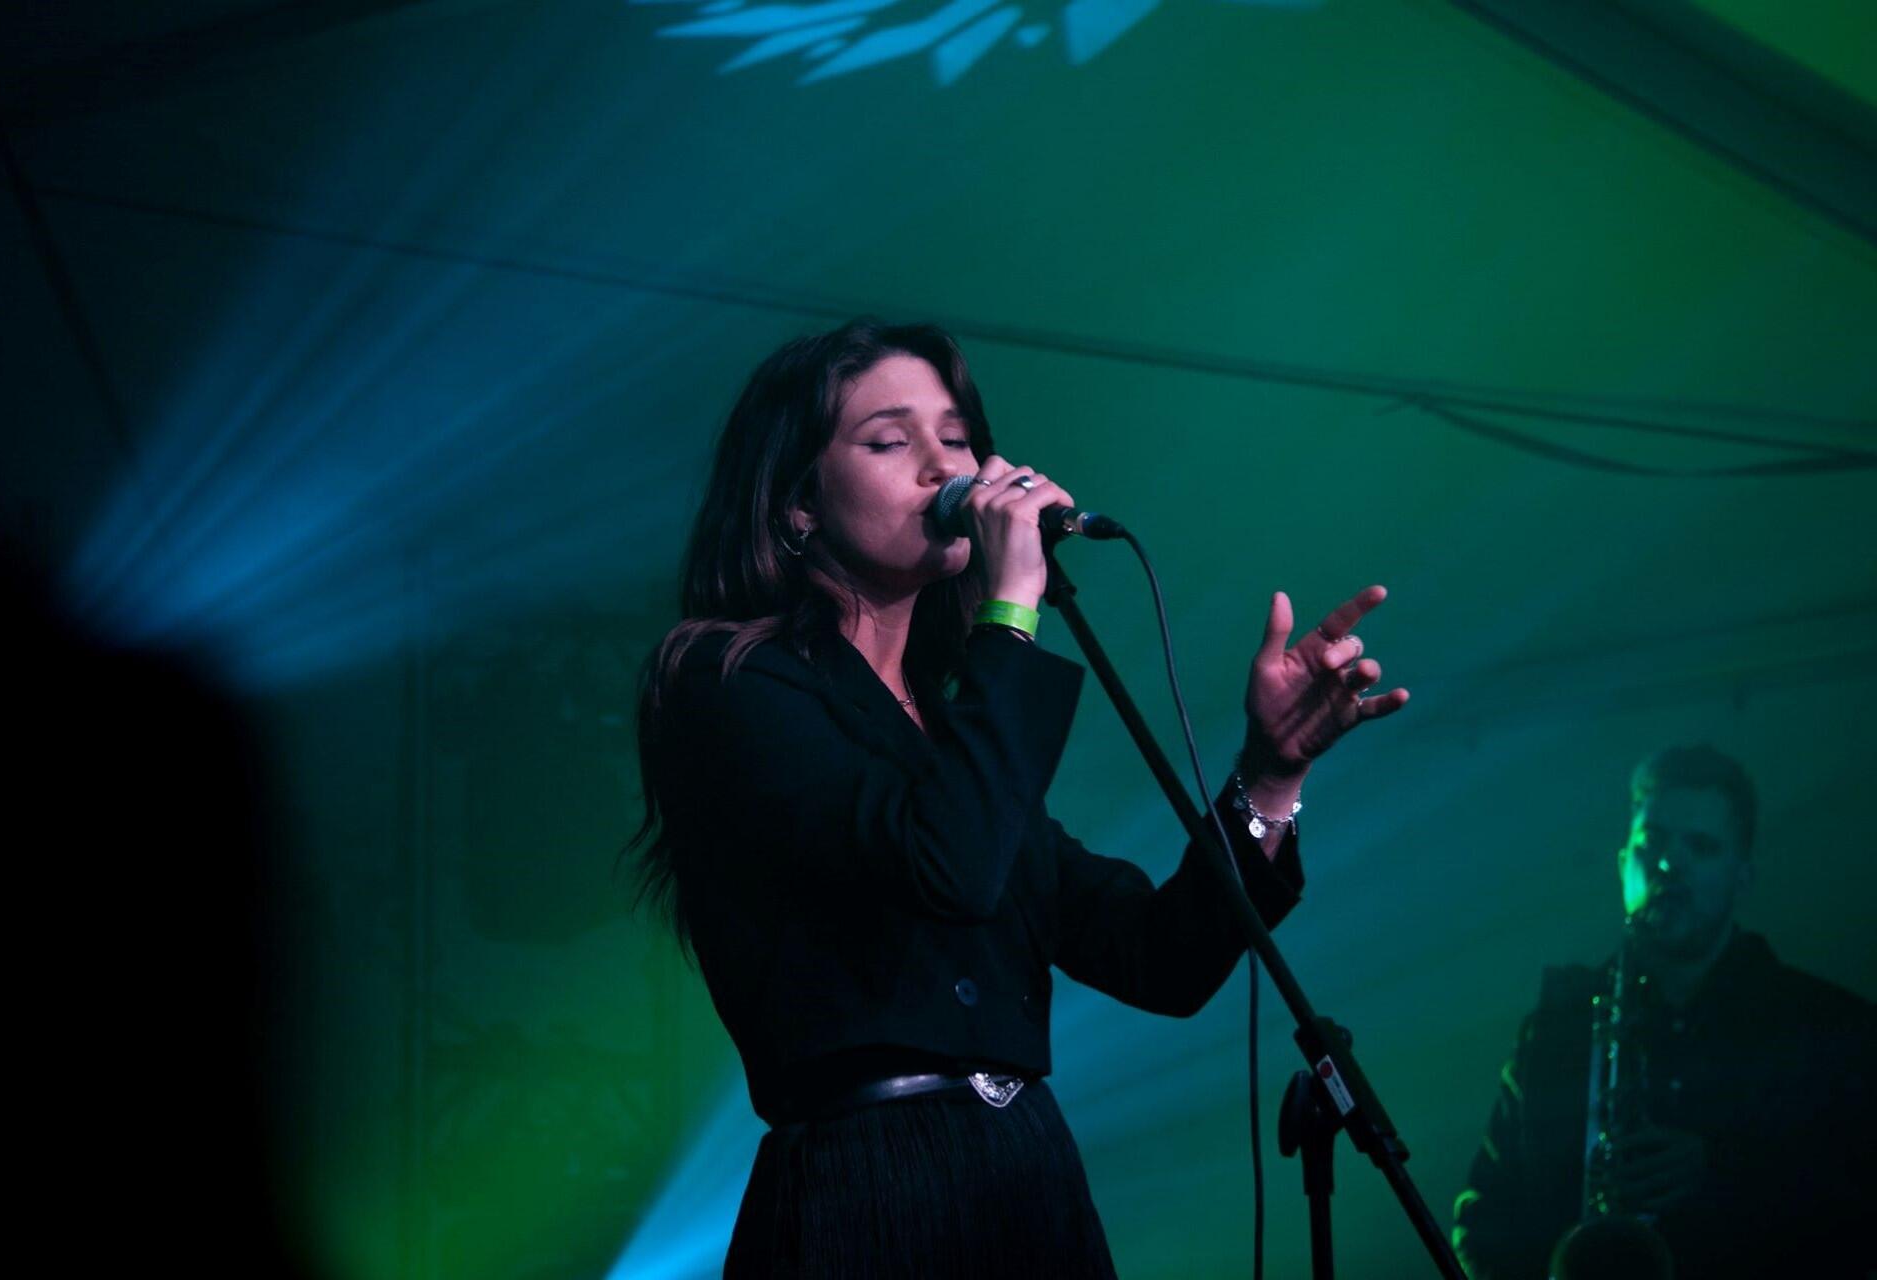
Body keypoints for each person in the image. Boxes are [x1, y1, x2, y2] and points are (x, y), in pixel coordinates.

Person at [627, 319, 1407, 1277]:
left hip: (1025, 1175)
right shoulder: (728, 679)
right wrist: (1010, 613)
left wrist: (1272, 774)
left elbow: (1159, 959)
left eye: (955, 438)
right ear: (797, 506)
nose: (942, 467)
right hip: (866, 1189)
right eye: (888, 440)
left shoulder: (950, 726)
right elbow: (947, 863)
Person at [1452, 745, 1877, 1280]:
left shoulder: (1828, 1028)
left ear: (1742, 876)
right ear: (1622, 863)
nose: (1669, 864)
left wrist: (1726, 1171)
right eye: (1652, 842)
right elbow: (1485, 1217)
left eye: (1700, 846)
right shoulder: (1558, 1030)